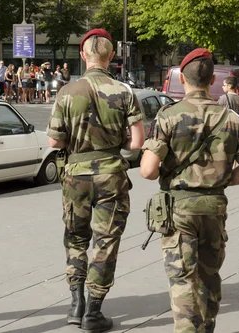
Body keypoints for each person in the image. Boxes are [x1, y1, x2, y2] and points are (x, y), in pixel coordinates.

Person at [139, 48, 239, 333]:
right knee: (209, 277)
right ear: (211, 82)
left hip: (178, 209)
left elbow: (147, 169)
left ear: (183, 78)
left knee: (183, 280)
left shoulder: (168, 116)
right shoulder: (231, 118)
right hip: (214, 207)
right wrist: (220, 179)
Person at [46, 28, 145, 333]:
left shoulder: (67, 91)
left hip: (75, 176)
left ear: (82, 54)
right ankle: (94, 310)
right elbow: (137, 142)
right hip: (111, 175)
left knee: (76, 238)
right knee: (105, 241)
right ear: (111, 56)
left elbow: (54, 143)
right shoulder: (125, 91)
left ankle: (75, 304)